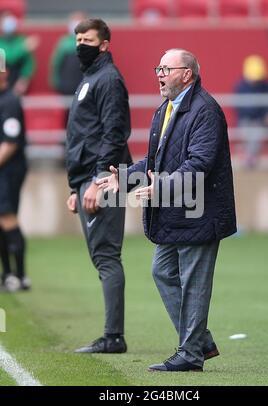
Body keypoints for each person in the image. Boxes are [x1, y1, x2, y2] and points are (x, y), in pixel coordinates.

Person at [98, 48, 237, 372]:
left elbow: (199, 164)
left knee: (193, 282)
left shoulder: (205, 110)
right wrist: (127, 177)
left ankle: (190, 354)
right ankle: (200, 342)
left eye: (166, 69)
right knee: (163, 271)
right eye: (157, 68)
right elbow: (156, 160)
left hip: (199, 214)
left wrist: (160, 187)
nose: (159, 74)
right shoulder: (166, 109)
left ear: (186, 74)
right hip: (175, 213)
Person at [65, 18, 132, 353]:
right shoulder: (90, 78)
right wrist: (75, 186)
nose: (80, 44)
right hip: (87, 180)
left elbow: (113, 134)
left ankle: (113, 337)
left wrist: (97, 181)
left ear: (105, 44)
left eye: (87, 39)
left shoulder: (108, 79)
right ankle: (111, 333)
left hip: (101, 180)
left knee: (106, 255)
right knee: (101, 256)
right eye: (77, 38)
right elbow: (84, 134)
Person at [0, 67, 30, 291]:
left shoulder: (9, 101)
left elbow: (10, 143)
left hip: (8, 170)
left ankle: (19, 276)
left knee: (8, 217)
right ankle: (8, 274)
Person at [234, 55, 268, 168]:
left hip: (260, 120)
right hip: (246, 119)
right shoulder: (241, 87)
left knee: (256, 136)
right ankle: (247, 156)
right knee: (248, 135)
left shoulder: (266, 85)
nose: (255, 81)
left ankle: (250, 159)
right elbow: (243, 108)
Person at [0, 11, 38, 95]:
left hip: (19, 83)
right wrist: (23, 49)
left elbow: (29, 64)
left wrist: (24, 80)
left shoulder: (21, 39)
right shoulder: (2, 42)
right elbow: (7, 57)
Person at [49, 11, 85, 98]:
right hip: (66, 87)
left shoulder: (90, 43)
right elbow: (55, 63)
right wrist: (56, 82)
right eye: (74, 21)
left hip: (84, 85)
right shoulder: (63, 43)